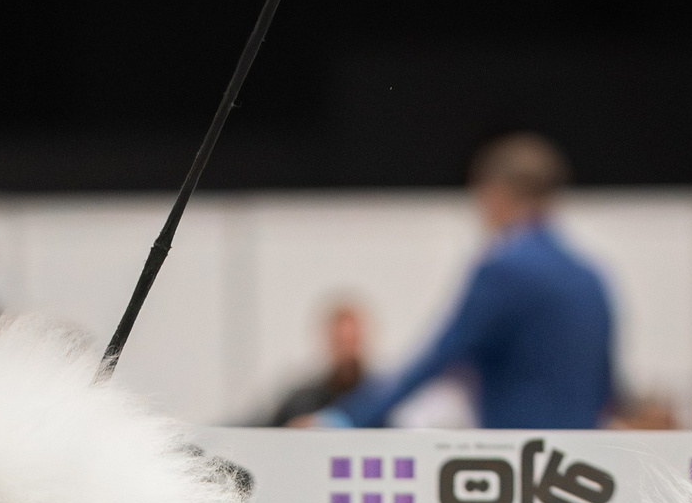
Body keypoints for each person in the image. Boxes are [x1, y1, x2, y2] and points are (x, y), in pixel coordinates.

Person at [312, 134, 614, 431]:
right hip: (579, 463)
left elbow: (439, 358)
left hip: (521, 461)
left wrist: (345, 419)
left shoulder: (503, 270)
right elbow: (606, 385)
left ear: (494, 194)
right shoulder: (591, 278)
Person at [259, 298, 369, 426]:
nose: (346, 351)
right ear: (328, 341)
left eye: (351, 341)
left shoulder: (376, 399)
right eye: (340, 342)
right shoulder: (302, 400)